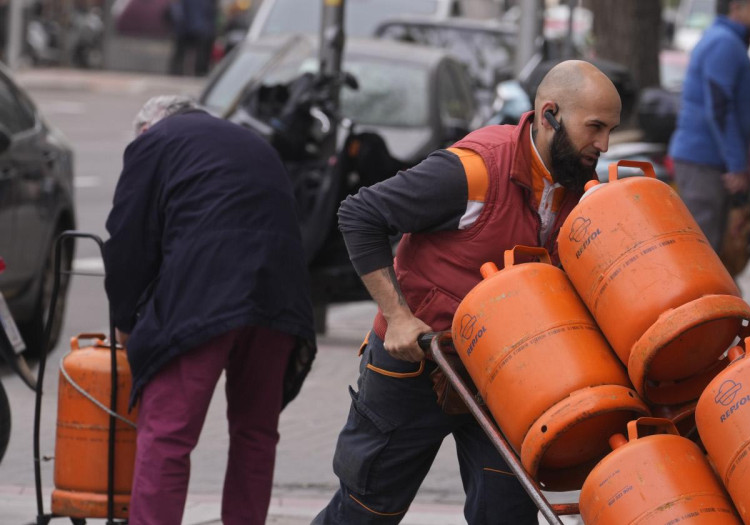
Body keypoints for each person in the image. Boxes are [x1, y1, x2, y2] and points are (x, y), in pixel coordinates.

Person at [314, 60, 622, 524]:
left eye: (609, 130)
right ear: (550, 115)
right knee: (364, 513)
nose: (602, 145)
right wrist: (397, 316)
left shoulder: (577, 189)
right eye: (594, 127)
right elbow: (360, 215)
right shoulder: (475, 171)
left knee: (506, 516)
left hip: (505, 380)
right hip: (417, 363)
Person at [104, 95, 316, 524]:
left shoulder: (154, 142)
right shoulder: (253, 142)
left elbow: (128, 241)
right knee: (256, 433)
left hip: (205, 295)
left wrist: (126, 324)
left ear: (149, 126)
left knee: (167, 434)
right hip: (279, 296)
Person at [668, 0, 750, 254]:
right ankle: (701, 294)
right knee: (702, 249)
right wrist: (737, 165)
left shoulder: (728, 42)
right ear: (739, 7)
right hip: (703, 161)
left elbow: (747, 102)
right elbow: (719, 108)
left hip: (708, 160)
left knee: (712, 245)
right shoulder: (724, 44)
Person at [168, 0, 217, 76]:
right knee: (201, 53)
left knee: (182, 52)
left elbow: (178, 12)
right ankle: (199, 72)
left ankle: (177, 71)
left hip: (187, 28)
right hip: (200, 29)